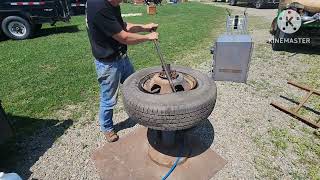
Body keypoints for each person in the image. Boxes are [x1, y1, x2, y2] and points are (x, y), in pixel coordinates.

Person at [86, 0, 159, 142]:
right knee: (109, 99)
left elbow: (122, 26)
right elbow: (124, 37)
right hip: (108, 64)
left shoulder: (112, 4)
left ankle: (139, 114)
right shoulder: (99, 8)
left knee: (134, 87)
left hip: (121, 57)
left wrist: (145, 27)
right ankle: (107, 128)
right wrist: (148, 37)